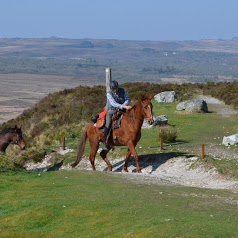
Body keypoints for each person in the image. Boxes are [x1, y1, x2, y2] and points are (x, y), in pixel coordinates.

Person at [102, 80, 131, 151]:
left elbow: (127, 99)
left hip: (122, 109)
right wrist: (123, 107)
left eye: (115, 88)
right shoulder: (109, 94)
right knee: (108, 125)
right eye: (113, 89)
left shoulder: (123, 91)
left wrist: (124, 106)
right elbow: (113, 103)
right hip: (111, 111)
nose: (114, 90)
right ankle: (105, 143)